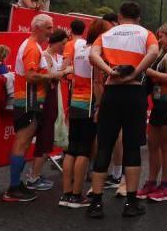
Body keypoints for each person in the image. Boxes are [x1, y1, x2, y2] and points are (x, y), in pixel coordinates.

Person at [87, 1, 159, 219]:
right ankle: (131, 202)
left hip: (112, 91)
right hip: (134, 92)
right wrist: (136, 71)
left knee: (104, 146)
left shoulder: (108, 34)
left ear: (119, 16)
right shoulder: (145, 33)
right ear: (138, 17)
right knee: (132, 147)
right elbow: (154, 52)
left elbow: (92, 55)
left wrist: (110, 70)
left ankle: (96, 203)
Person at [3, 13, 57, 202]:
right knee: (22, 142)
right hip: (28, 101)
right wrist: (52, 76)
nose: (52, 32)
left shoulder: (34, 46)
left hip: (31, 100)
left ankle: (16, 185)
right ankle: (13, 188)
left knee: (23, 143)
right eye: (49, 28)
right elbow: (31, 75)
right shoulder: (32, 48)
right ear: (38, 28)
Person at [59, 19, 110, 209]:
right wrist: (100, 106)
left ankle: (66, 193)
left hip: (75, 102)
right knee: (84, 151)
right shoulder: (95, 52)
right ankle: (76, 194)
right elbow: (97, 82)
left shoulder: (79, 48)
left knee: (71, 149)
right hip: (89, 103)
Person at [140, 22, 167, 202]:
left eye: (162, 36)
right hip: (157, 105)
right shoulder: (162, 55)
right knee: (152, 144)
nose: (159, 40)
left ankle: (165, 186)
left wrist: (152, 73)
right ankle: (151, 181)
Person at [26, 28, 68, 191]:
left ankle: (34, 174)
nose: (63, 47)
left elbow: (54, 74)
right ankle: (33, 177)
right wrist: (65, 71)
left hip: (52, 100)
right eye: (63, 44)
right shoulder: (44, 55)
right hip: (47, 100)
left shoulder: (52, 56)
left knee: (47, 138)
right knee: (45, 138)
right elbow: (51, 76)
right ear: (56, 42)